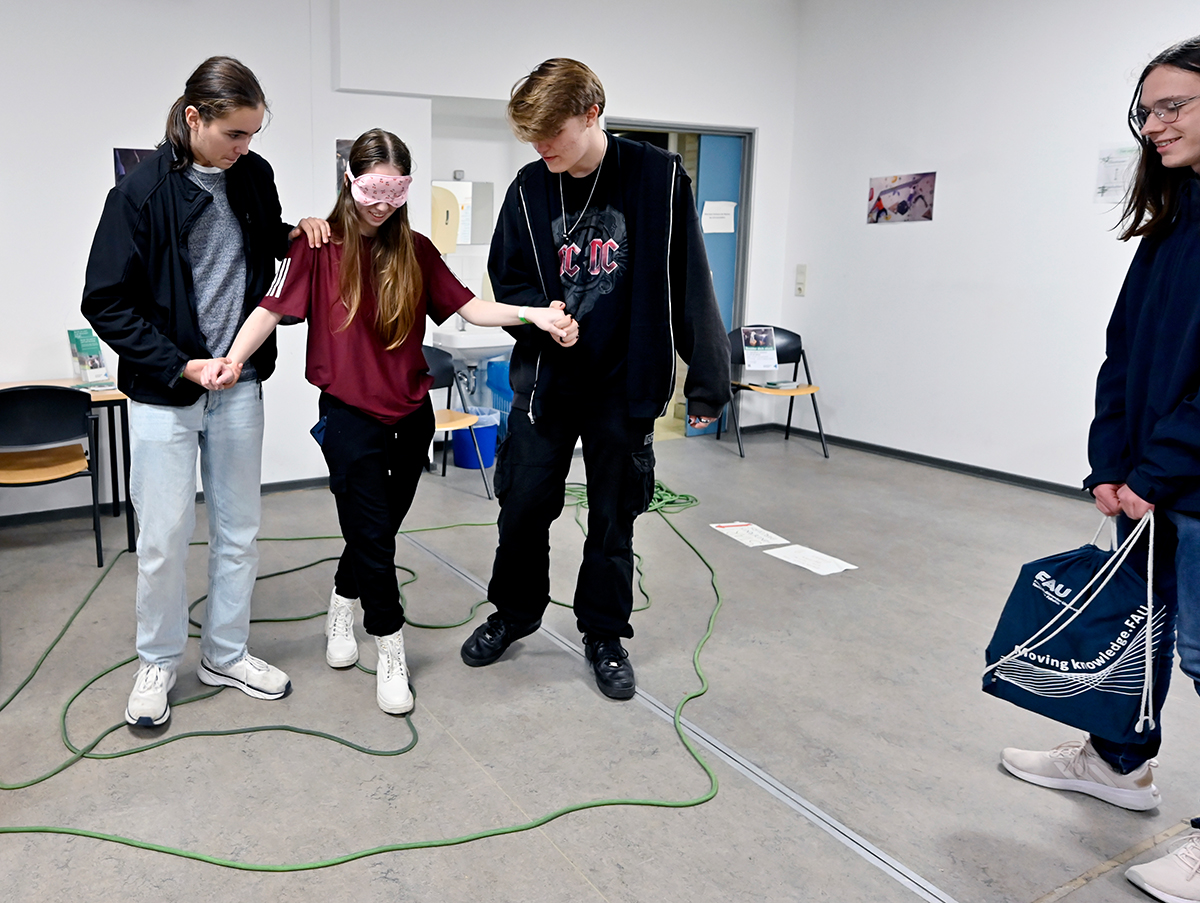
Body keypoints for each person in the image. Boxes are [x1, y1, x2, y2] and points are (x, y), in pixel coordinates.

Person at [206, 129, 577, 715]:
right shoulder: (316, 248)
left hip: (411, 416)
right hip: (349, 417)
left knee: (375, 532)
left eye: (395, 192)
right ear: (350, 181)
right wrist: (232, 359)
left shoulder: (417, 251)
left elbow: (471, 308)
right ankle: (389, 645)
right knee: (375, 538)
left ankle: (341, 599)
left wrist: (534, 314)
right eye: (371, 190)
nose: (382, 204)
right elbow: (269, 309)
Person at [459, 59, 731, 699]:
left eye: (552, 133)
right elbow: (508, 277)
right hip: (547, 384)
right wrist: (541, 317)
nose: (542, 148)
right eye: (531, 138)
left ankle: (604, 634)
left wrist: (707, 381)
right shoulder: (529, 187)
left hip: (622, 384)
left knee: (614, 518)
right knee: (523, 507)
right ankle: (514, 613)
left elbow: (690, 281)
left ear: (591, 113)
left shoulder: (657, 178)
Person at [999, 36, 1200, 903]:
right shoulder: (1175, 220)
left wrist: (1155, 470)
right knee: (1140, 628)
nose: (1154, 125)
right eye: (1147, 111)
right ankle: (1119, 763)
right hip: (1148, 481)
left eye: (1174, 107)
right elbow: (1124, 353)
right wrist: (1109, 464)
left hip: (1185, 483)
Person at [82, 56, 329, 729]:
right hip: (165, 392)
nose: (243, 147)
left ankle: (225, 653)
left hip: (239, 385)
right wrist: (182, 365)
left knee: (239, 531)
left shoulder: (253, 175)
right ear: (194, 117)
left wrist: (297, 232)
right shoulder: (139, 194)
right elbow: (105, 300)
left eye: (252, 134)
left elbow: (261, 247)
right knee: (164, 538)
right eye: (233, 134)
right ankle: (158, 661)